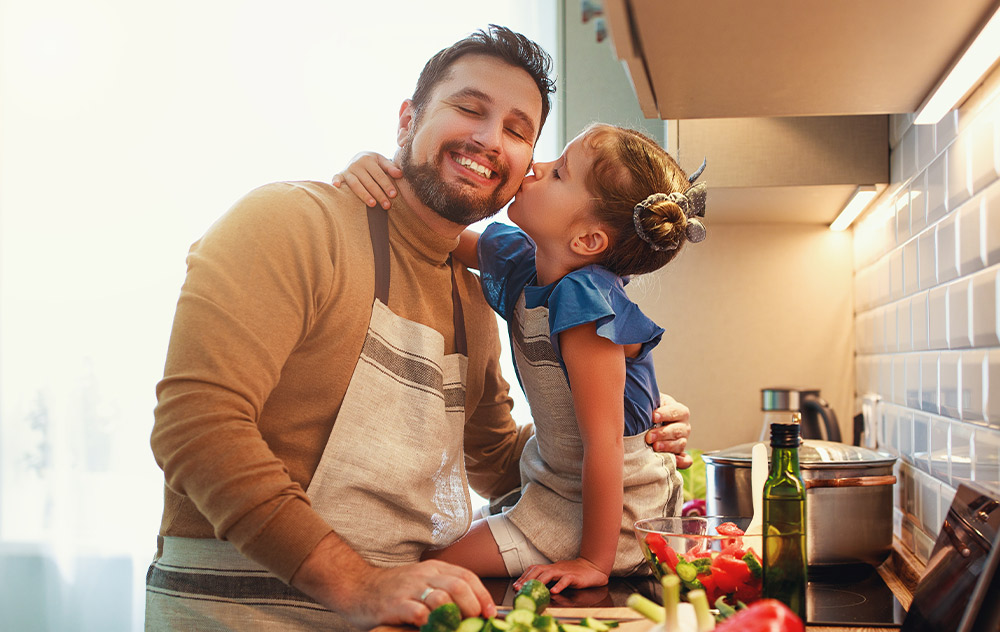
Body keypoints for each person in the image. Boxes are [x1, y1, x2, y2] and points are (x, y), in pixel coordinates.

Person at [146, 25, 692, 632]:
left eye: (517, 131)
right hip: (245, 609)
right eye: (469, 108)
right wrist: (357, 583)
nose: (490, 140)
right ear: (408, 120)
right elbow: (196, 427)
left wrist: (631, 438)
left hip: (402, 610)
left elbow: (494, 456)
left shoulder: (475, 292)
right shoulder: (292, 222)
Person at [336, 122, 706, 593]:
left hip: (612, 517)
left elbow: (605, 444)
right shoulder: (523, 265)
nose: (536, 166)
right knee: (426, 560)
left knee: (423, 568)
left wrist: (592, 561)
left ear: (587, 240)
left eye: (558, 174)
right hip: (555, 487)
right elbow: (430, 235)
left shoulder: (587, 305)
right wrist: (372, 179)